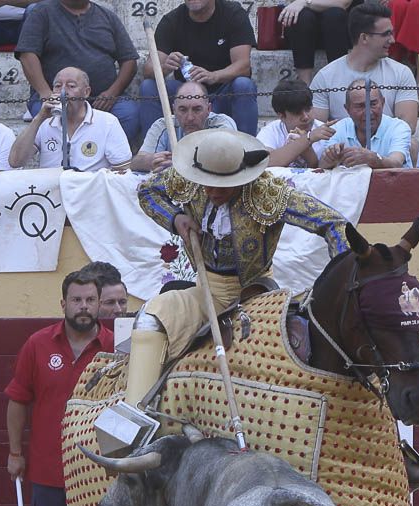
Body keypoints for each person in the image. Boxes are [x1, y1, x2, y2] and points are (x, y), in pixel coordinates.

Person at [129, 129, 349, 407]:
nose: (210, 191)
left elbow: (334, 224)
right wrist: (176, 219)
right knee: (150, 319)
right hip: (205, 290)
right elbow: (148, 190)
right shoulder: (191, 178)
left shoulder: (268, 192)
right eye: (206, 183)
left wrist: (341, 276)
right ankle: (137, 420)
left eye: (221, 185)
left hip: (257, 297)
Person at [5, 270, 114, 506]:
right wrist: (16, 452)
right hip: (48, 467)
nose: (83, 307)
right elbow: (19, 400)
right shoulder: (37, 345)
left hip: (94, 469)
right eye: (77, 300)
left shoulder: (114, 349)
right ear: (63, 303)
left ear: (99, 304)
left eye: (90, 300)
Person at [15, 0, 140, 143]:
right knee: (49, 119)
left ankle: (99, 158)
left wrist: (113, 92)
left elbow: (129, 60)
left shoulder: (108, 17)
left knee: (129, 114)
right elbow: (27, 54)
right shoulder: (41, 13)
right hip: (56, 96)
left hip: (103, 100)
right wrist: (45, 93)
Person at [140, 0, 258, 136]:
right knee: (149, 86)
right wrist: (165, 67)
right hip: (186, 96)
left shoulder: (233, 14)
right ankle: (153, 152)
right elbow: (148, 70)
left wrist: (213, 76)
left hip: (223, 92)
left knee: (243, 85)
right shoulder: (172, 20)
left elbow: (243, 66)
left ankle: (247, 150)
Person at [309, 3, 419, 130]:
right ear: (364, 37)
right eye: (386, 34)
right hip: (343, 146)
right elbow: (315, 128)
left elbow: (408, 126)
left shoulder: (402, 73)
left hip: (387, 146)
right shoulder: (325, 76)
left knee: (412, 144)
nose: (392, 40)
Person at [9, 67, 132, 171]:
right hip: (53, 196)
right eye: (58, 86)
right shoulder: (44, 123)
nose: (63, 92)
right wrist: (38, 119)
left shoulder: (107, 122)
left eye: (71, 86)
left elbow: (123, 169)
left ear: (86, 92)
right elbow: (15, 161)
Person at [131, 81, 236, 173]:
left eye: (197, 109)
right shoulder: (164, 124)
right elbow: (135, 163)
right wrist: (150, 161)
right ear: (174, 110)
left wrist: (177, 164)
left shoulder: (222, 124)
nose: (190, 117)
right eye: (183, 110)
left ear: (208, 109)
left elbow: (227, 160)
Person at [319, 79, 413, 168]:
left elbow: (396, 163)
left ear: (383, 103)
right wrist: (330, 158)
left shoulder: (398, 127)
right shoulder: (337, 129)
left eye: (373, 104)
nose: (368, 112)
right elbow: (322, 166)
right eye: (360, 106)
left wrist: (374, 159)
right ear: (347, 109)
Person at [257, 79, 334, 168]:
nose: (305, 117)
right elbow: (264, 163)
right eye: (297, 113)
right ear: (281, 116)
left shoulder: (325, 132)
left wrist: (306, 149)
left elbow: (322, 171)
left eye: (308, 109)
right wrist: (307, 139)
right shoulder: (270, 131)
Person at [279, 0, 358, 85]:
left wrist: (305, 2)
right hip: (307, 32)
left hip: (340, 32)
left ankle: (339, 83)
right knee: (301, 16)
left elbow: (342, 3)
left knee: (334, 14)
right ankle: (304, 86)